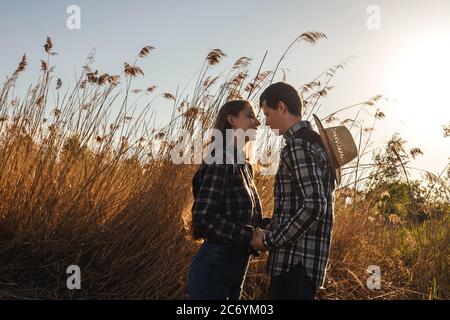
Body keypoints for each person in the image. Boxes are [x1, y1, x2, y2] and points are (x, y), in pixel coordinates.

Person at [250, 82, 336, 300]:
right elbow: (300, 206)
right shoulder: (313, 142)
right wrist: (271, 226)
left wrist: (268, 241)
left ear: (281, 107)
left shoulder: (298, 145)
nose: (266, 122)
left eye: (267, 114)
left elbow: (315, 205)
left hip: (295, 264)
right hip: (302, 264)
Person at [187, 99, 263, 300]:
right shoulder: (220, 158)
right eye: (250, 116)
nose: (257, 123)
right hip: (214, 267)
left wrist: (270, 229)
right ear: (231, 120)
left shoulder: (244, 166)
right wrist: (249, 236)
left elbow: (248, 221)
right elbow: (203, 218)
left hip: (235, 267)